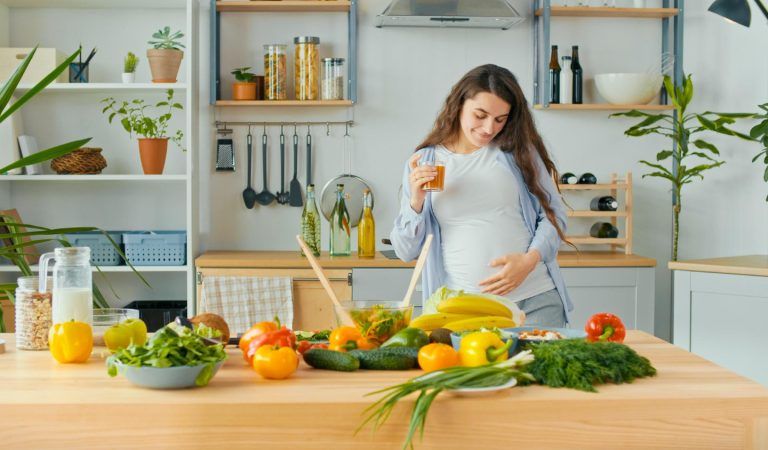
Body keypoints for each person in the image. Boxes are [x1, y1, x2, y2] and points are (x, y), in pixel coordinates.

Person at [390, 64, 573, 327]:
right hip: (463, 311)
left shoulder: (519, 153)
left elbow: (554, 216)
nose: (489, 128)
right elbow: (405, 251)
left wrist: (528, 261)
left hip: (535, 301)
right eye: (480, 115)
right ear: (459, 105)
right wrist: (416, 202)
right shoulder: (425, 161)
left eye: (500, 119)